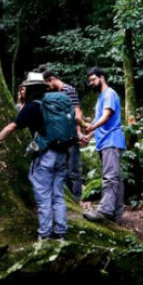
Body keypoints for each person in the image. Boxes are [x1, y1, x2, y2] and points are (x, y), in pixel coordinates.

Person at [0, 72, 75, 240]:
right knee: (57, 195)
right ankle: (61, 232)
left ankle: (45, 234)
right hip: (62, 154)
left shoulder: (32, 107)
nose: (23, 91)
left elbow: (11, 127)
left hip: (45, 155)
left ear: (31, 89)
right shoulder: (54, 103)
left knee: (43, 195)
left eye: (25, 88)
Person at [81, 67, 126, 223]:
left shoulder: (109, 94)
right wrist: (88, 135)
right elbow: (98, 122)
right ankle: (117, 215)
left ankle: (105, 210)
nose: (91, 83)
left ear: (102, 77)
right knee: (115, 179)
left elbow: (106, 116)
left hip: (111, 140)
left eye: (93, 79)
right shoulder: (101, 97)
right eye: (90, 81)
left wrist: (91, 127)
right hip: (104, 141)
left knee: (110, 178)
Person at [42, 68, 86, 202]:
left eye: (47, 84)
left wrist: (78, 132)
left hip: (71, 134)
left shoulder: (68, 90)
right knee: (64, 169)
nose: (47, 88)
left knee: (73, 168)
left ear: (52, 79)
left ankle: (77, 198)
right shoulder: (58, 93)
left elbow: (77, 112)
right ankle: (69, 199)